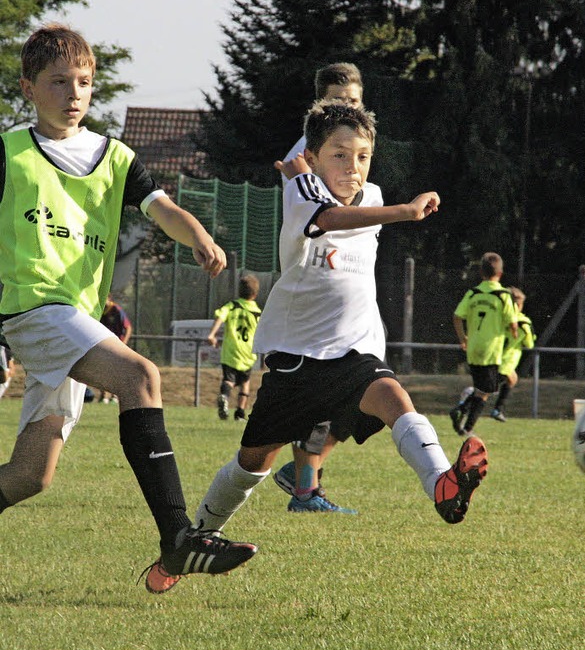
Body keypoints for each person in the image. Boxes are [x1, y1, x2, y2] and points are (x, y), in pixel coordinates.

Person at [144, 101, 489, 593]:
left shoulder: (369, 192)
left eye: (363, 156)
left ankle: (443, 486)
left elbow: (355, 203)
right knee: (252, 463)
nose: (353, 168)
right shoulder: (303, 191)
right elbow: (327, 218)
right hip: (297, 359)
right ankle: (191, 543)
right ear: (313, 156)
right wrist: (406, 212)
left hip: (355, 352)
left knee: (396, 401)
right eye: (340, 155)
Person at [0, 23, 257, 594]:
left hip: (77, 319)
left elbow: (159, 205)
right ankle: (179, 537)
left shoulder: (113, 155)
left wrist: (196, 233)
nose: (73, 94)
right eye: (58, 81)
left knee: (30, 475)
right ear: (28, 88)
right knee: (139, 375)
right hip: (33, 308)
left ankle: (178, 539)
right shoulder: (10, 152)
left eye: (84, 82)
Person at [272, 62, 364, 514]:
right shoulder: (307, 152)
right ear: (319, 104)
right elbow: (317, 217)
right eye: (336, 100)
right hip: (315, 283)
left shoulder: (356, 145)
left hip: (349, 279)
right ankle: (306, 489)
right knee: (323, 394)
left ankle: (301, 476)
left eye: (352, 100)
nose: (345, 107)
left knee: (363, 396)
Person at [450, 252, 518, 435]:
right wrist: (514, 332)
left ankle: (465, 424)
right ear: (501, 274)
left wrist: (462, 338)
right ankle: (462, 412)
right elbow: (512, 322)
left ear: (481, 272)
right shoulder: (503, 295)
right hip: (491, 349)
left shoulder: (473, 293)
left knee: (485, 388)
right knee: (486, 390)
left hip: (473, 348)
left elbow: (457, 317)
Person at [208, 274, 262, 421]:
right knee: (245, 383)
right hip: (247, 353)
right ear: (255, 294)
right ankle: (240, 414)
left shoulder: (232, 306)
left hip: (230, 351)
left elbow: (220, 316)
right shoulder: (257, 312)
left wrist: (212, 334)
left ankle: (224, 396)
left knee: (228, 379)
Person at [489, 287, 535, 422]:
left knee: (512, 379)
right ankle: (464, 403)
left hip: (492, 355)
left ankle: (497, 409)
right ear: (517, 304)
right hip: (504, 360)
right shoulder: (521, 322)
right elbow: (529, 344)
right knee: (484, 389)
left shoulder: (499, 318)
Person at [98, 293, 132, 404]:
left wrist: (124, 344)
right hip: (105, 345)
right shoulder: (100, 310)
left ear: (109, 298)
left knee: (116, 370)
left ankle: (115, 396)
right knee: (102, 370)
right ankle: (103, 397)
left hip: (117, 345)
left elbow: (127, 327)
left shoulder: (116, 310)